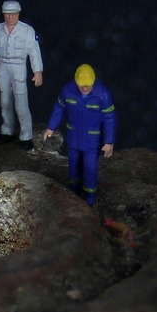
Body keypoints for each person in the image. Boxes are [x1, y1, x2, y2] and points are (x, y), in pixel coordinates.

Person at [43, 64, 116, 206]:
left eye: (88, 85)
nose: (84, 88)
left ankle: (90, 199)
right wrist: (51, 127)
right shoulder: (68, 91)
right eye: (81, 85)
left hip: (91, 141)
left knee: (90, 169)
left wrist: (109, 142)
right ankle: (73, 194)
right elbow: (59, 108)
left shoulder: (102, 94)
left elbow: (109, 118)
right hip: (74, 139)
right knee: (73, 168)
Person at [0, 0, 43, 146]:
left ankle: (26, 135)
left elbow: (34, 52)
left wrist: (38, 71)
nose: (10, 17)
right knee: (5, 101)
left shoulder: (27, 31)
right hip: (3, 67)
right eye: (7, 14)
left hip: (18, 67)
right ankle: (7, 130)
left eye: (13, 14)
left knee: (21, 103)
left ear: (18, 13)